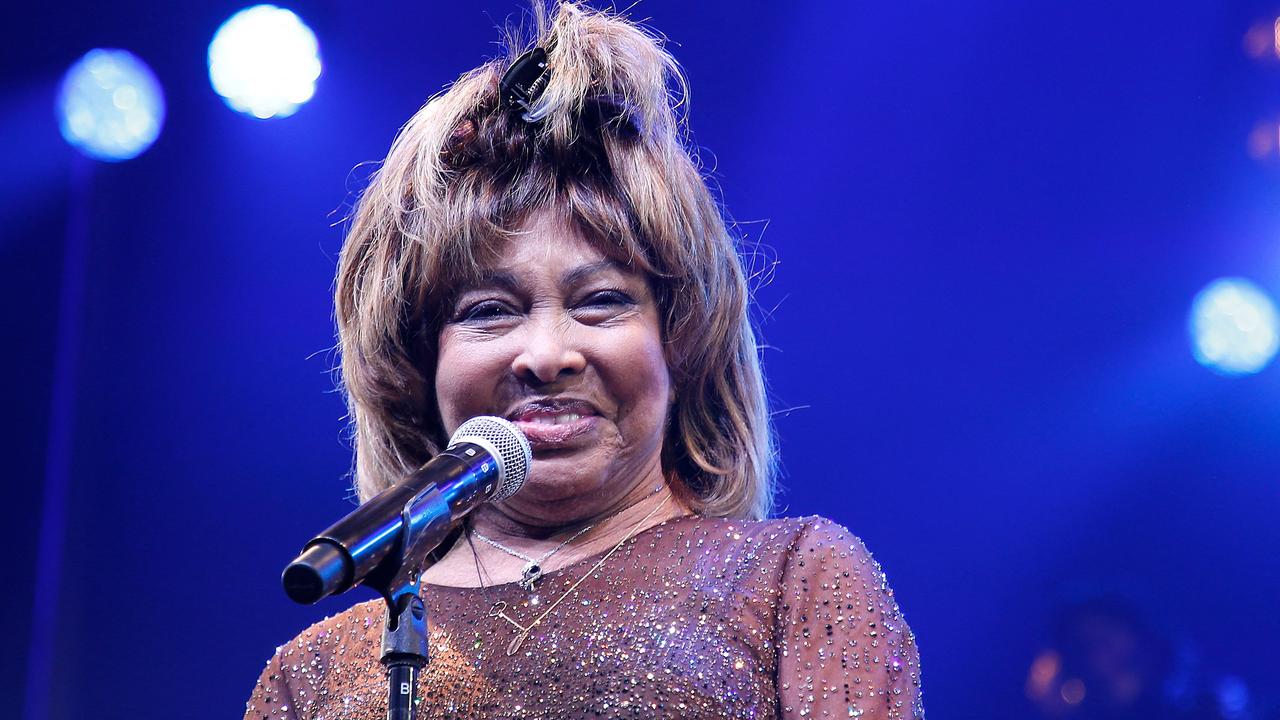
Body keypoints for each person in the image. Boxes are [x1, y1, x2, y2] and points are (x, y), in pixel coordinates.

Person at [244, 3, 924, 718]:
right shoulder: (315, 676)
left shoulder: (795, 582)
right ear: (417, 366)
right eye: (489, 311)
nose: (545, 355)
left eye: (599, 301)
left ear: (683, 340)